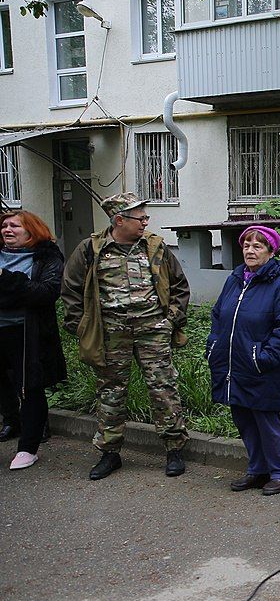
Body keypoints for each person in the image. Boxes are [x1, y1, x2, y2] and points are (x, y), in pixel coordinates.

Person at [61, 193, 191, 481]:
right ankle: (110, 453)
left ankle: (174, 449)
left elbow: (180, 286)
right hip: (111, 333)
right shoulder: (91, 249)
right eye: (141, 218)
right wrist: (81, 327)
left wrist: (170, 321)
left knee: (163, 387)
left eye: (146, 217)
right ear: (119, 220)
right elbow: (70, 290)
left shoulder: (155, 247)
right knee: (110, 390)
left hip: (152, 330)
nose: (146, 222)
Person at [207, 227, 280, 496]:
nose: (250, 250)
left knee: (265, 419)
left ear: (272, 252)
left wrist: (264, 358)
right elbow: (217, 315)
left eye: (258, 246)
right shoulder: (235, 280)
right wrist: (213, 345)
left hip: (261, 366)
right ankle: (258, 470)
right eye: (247, 244)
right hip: (232, 363)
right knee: (243, 417)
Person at [0, 211, 67, 470]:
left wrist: (6, 279)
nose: (7, 229)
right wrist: (16, 291)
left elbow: (45, 293)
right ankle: (11, 421)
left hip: (27, 334)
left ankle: (28, 447)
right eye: (4, 225)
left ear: (31, 231)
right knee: (3, 384)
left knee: (29, 387)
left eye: (14, 225)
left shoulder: (46, 256)